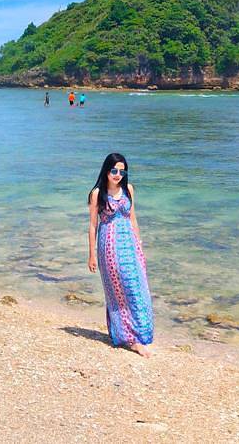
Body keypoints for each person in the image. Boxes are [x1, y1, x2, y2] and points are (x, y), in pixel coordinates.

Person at [87, 152, 153, 357]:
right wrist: (91, 254)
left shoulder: (128, 189)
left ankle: (139, 334)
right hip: (109, 247)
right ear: (106, 171)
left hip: (130, 244)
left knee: (136, 287)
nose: (118, 175)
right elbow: (92, 225)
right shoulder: (97, 193)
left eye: (122, 171)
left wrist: (140, 244)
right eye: (114, 171)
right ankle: (128, 339)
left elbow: (133, 219)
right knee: (118, 292)